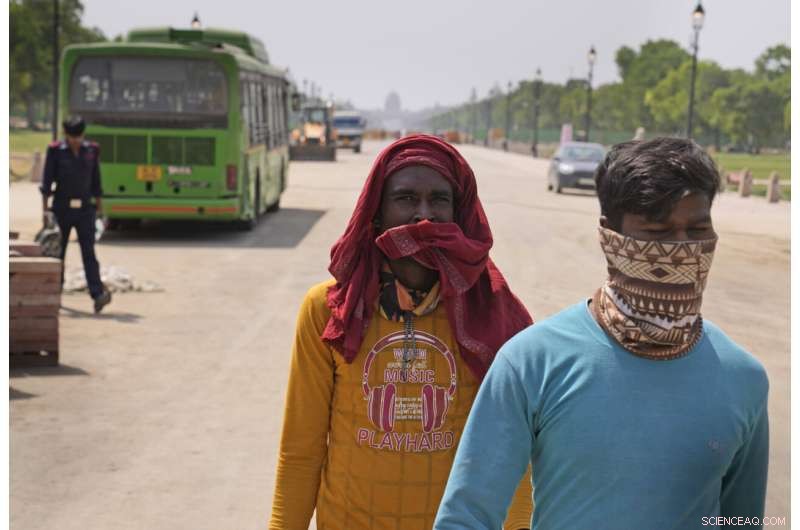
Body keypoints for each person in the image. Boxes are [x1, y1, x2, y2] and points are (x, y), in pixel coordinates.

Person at [435, 137, 769, 530]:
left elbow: (741, 520)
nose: (683, 251)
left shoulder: (743, 378)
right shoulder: (533, 362)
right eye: (658, 232)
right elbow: (467, 516)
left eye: (697, 229)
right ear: (611, 239)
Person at [269, 134, 534, 530]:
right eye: (406, 199)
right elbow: (301, 452)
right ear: (376, 213)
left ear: (460, 214)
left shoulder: (491, 314)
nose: (423, 216)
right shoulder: (330, 309)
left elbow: (512, 452)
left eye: (439, 200)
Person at [41, 116, 111, 313]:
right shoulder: (55, 151)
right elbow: (46, 184)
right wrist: (45, 212)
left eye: (79, 136)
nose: (76, 141)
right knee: (58, 254)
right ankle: (55, 294)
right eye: (72, 137)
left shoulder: (92, 150)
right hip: (61, 208)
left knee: (88, 252)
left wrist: (99, 209)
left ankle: (97, 294)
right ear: (66, 135)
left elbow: (96, 181)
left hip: (85, 210)